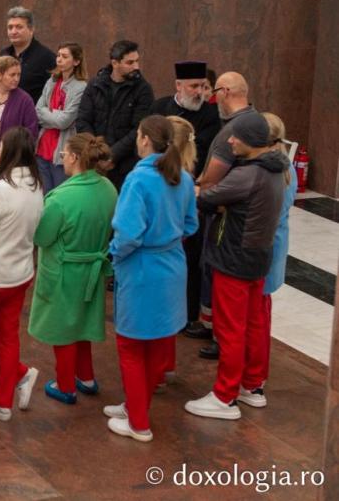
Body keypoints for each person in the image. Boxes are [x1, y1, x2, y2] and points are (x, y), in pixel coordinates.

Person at [185, 112, 290, 420]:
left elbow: (206, 198)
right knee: (255, 324)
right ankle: (252, 385)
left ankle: (224, 396)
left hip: (233, 259)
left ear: (252, 141)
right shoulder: (274, 170)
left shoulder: (247, 175)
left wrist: (206, 197)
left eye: (236, 136)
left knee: (230, 329)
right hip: (258, 258)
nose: (229, 140)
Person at [104, 115, 197, 442]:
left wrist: (114, 254)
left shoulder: (138, 180)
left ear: (144, 140)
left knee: (130, 345)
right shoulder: (183, 177)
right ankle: (134, 404)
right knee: (159, 342)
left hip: (142, 268)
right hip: (172, 266)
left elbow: (128, 233)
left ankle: (139, 423)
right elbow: (190, 224)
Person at [28, 133, 117, 405]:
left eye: (64, 154)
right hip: (93, 270)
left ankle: (66, 384)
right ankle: (86, 377)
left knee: (63, 328)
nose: (61, 158)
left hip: (64, 271)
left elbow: (42, 238)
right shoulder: (108, 188)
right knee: (83, 323)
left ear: (76, 158)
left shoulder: (60, 199)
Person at [0, 126, 45, 421]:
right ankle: (4, 399)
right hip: (21, 272)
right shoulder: (37, 186)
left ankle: (20, 374)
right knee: (8, 335)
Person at [194, 71, 256, 359]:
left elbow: (213, 176)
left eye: (215, 91)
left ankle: (222, 337)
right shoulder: (249, 121)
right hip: (232, 214)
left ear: (227, 92)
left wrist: (195, 189)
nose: (211, 98)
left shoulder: (235, 128)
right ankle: (212, 324)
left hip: (225, 215)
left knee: (221, 277)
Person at [76, 40, 154, 189]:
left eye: (137, 61)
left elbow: (139, 128)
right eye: (130, 62)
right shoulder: (95, 85)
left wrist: (112, 155)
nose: (136, 67)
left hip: (125, 165)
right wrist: (96, 152)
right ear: (115, 63)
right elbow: (83, 120)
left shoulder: (143, 90)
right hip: (93, 162)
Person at [257, 112, 297, 396]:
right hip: (273, 246)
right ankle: (257, 375)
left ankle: (255, 378)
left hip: (262, 249)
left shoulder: (272, 170)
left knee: (257, 318)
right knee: (262, 313)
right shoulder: (287, 168)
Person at [0, 56, 39, 197]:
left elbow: (31, 132)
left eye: (18, 75)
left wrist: (13, 147)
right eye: (12, 75)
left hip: (9, 162)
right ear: (0, 74)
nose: (16, 79)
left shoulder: (25, 100)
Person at [166, 115, 205, 334]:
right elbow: (191, 222)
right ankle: (187, 315)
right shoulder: (188, 175)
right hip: (182, 242)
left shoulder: (165, 177)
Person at [149, 61, 220, 176]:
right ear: (178, 85)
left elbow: (201, 151)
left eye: (202, 86)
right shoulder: (159, 108)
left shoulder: (211, 114)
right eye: (194, 86)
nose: (199, 92)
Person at [35, 42, 88, 192]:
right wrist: (55, 115)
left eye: (64, 56)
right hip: (43, 146)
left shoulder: (81, 87)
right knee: (44, 195)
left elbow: (65, 121)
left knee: (59, 192)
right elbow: (38, 110)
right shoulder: (51, 81)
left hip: (62, 149)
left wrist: (49, 113)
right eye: (58, 55)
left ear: (76, 61)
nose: (59, 59)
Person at [0, 6, 56, 105]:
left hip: (32, 117)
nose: (13, 32)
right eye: (10, 27)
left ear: (31, 30)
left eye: (19, 27)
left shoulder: (47, 58)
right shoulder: (3, 55)